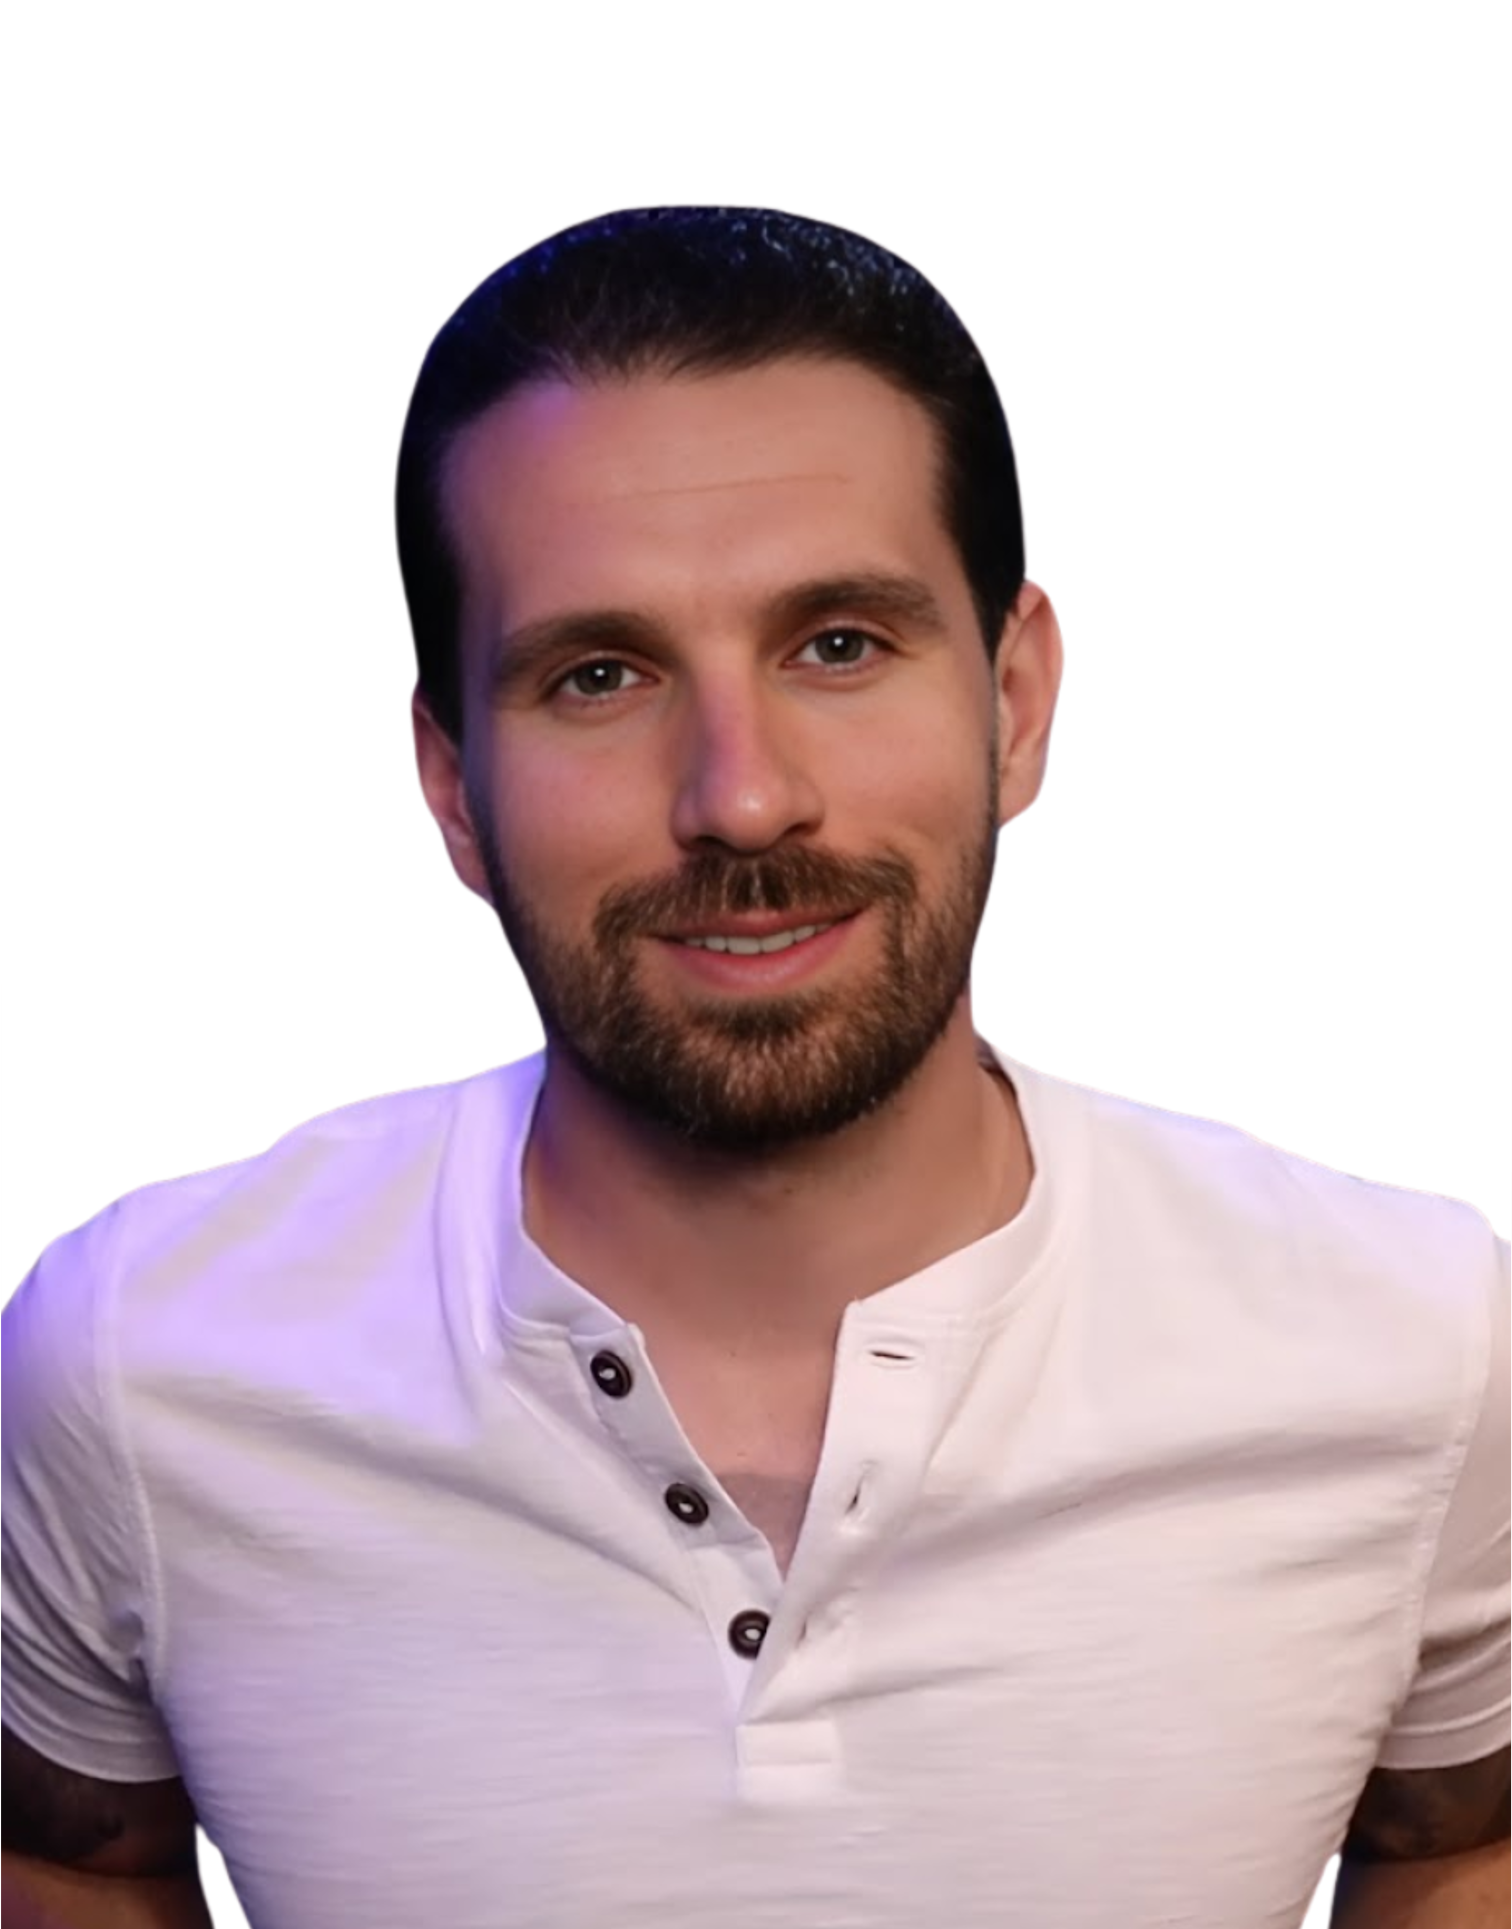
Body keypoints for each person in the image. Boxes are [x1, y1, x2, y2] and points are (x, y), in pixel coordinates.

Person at [1, 207, 1506, 1929]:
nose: (742, 796)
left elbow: (1461, 1839)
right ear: (453, 783)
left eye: (839, 645)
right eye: (599, 675)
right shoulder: (136, 1364)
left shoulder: (1420, 1350)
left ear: (1014, 702)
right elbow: (67, 1858)